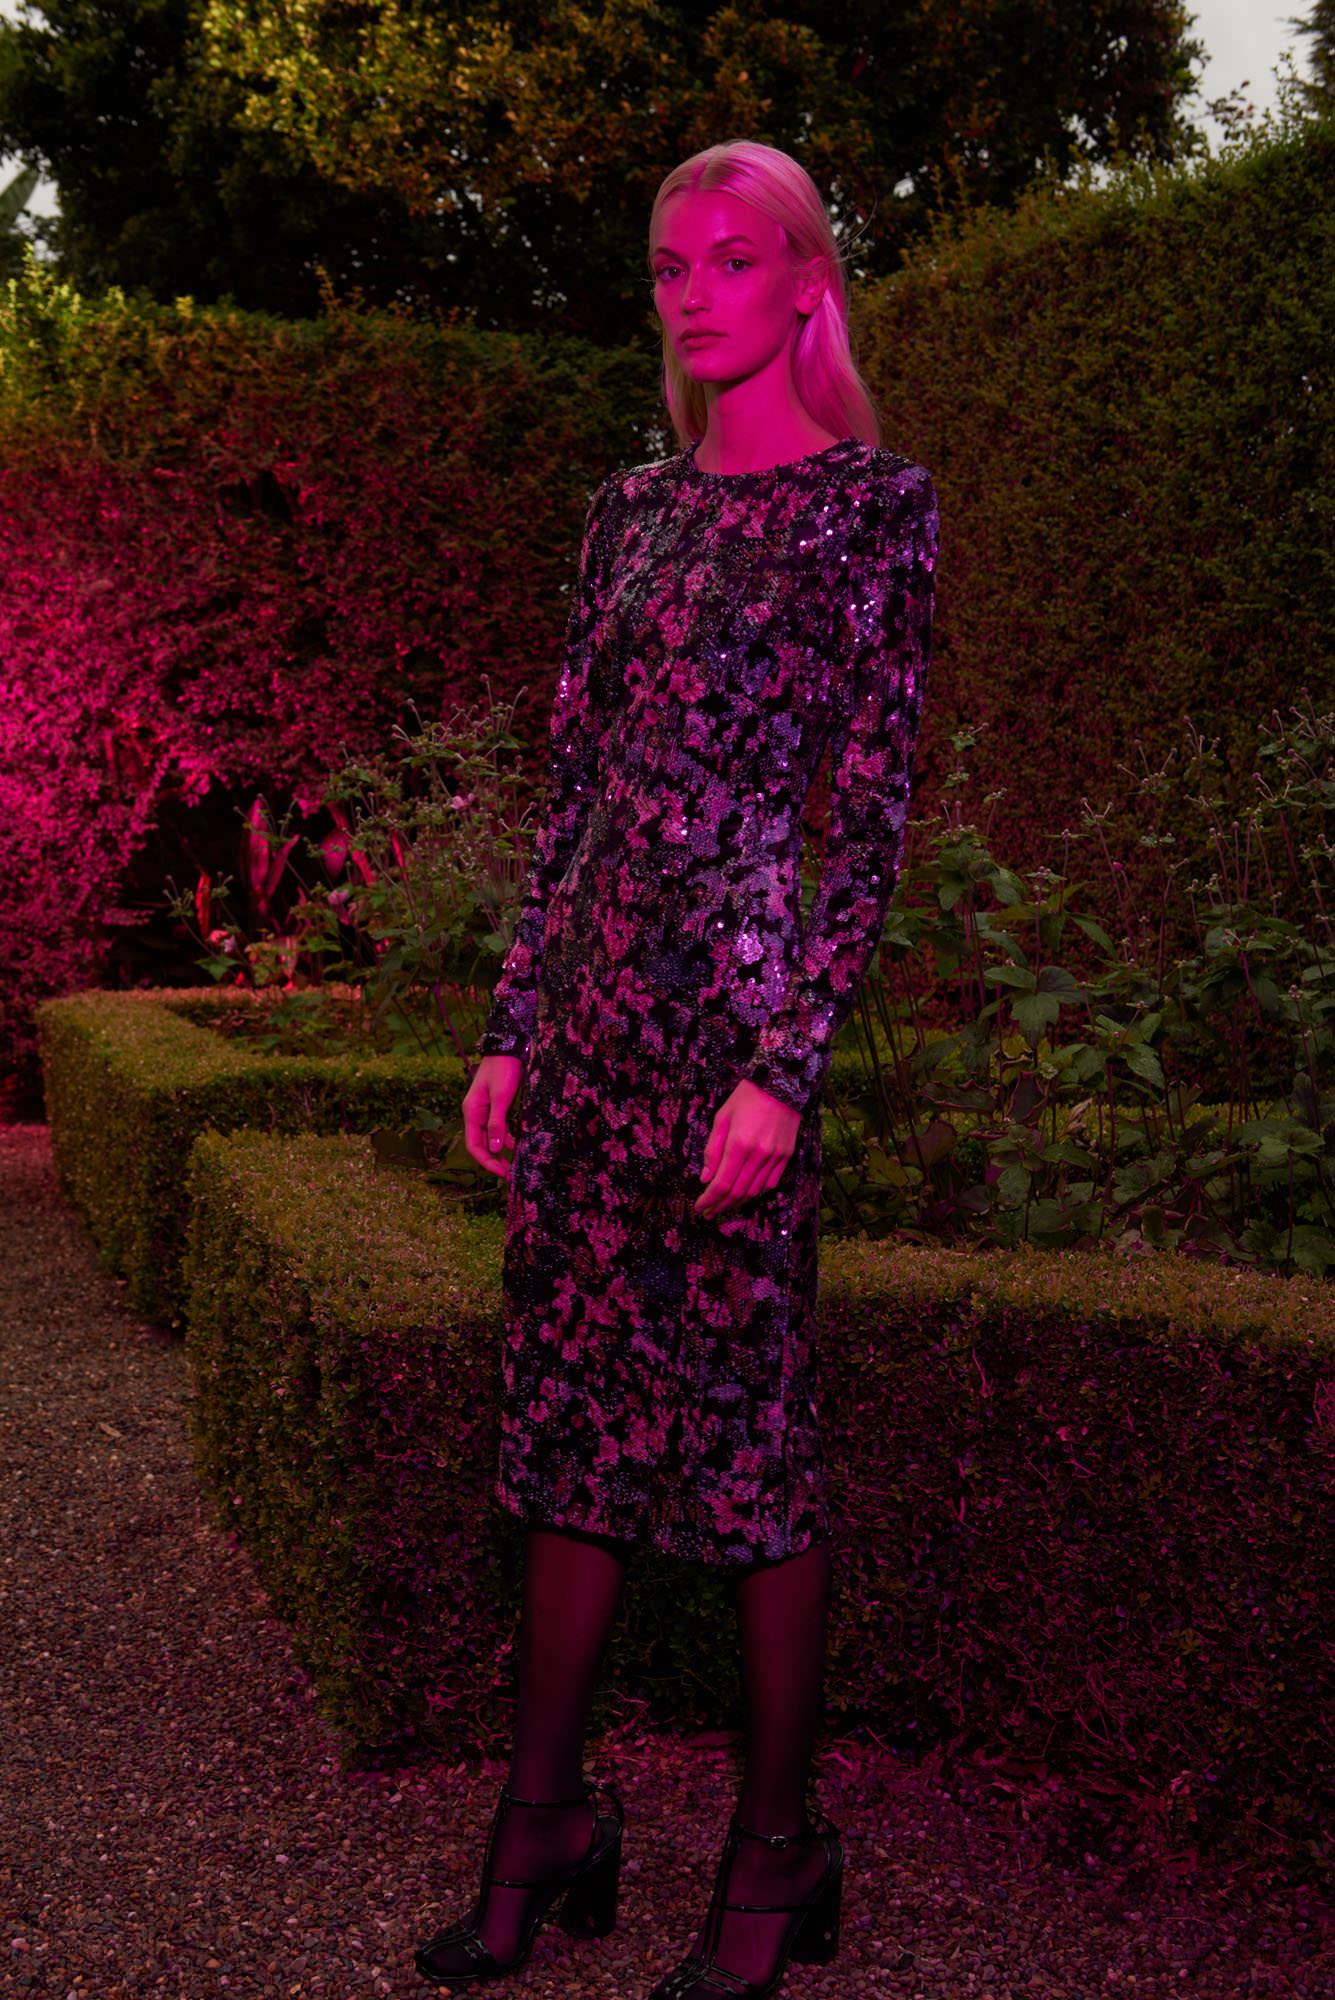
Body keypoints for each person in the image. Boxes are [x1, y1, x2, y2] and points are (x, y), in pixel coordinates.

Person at [413, 137, 938, 1998]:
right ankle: (543, 1820)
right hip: (589, 1032)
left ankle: (779, 1854)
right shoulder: (626, 512)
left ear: (805, 281)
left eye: (730, 259)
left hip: (733, 1043)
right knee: (566, 1432)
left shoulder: (875, 510)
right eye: (667, 265)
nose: (694, 291)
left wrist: (786, 1068)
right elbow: (572, 790)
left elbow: (866, 821)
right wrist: (511, 1021)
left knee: (749, 1454)